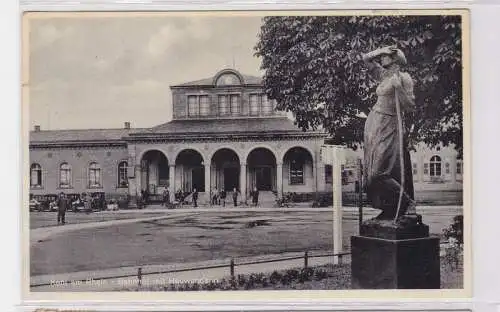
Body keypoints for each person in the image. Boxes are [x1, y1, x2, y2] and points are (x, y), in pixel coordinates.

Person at [361, 45, 417, 221]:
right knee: (370, 175)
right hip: (374, 123)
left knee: (379, 173)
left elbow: (410, 105)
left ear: (394, 59)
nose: (381, 58)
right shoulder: (383, 75)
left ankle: (407, 203)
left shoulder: (404, 78)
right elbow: (365, 59)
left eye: (385, 56)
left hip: (389, 124)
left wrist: (399, 88)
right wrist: (380, 50)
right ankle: (389, 209)